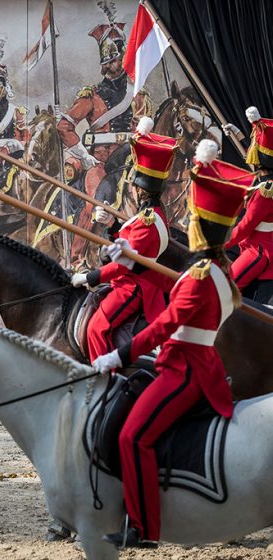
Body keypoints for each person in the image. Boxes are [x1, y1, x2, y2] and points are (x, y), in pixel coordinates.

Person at [92, 139, 255, 549]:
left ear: (199, 227)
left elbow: (164, 324)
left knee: (133, 437)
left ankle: (144, 529)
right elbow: (168, 280)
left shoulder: (202, 276)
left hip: (186, 369)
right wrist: (128, 253)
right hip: (187, 361)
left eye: (194, 218)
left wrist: (120, 353)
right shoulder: (215, 268)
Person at [71, 117, 178, 362]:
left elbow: (125, 263)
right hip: (128, 279)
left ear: (141, 189)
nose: (133, 189)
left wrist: (89, 277)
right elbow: (129, 243)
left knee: (97, 327)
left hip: (134, 286)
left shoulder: (149, 219)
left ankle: (107, 378)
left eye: (135, 186)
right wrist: (112, 225)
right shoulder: (149, 215)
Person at [57, 20, 152, 266]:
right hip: (99, 161)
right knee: (95, 201)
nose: (111, 65)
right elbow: (64, 126)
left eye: (115, 59)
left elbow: (142, 126)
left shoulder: (137, 94)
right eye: (106, 62)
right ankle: (76, 259)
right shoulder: (92, 95)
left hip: (130, 158)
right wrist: (84, 156)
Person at [225, 106, 273, 302]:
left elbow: (245, 226)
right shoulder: (267, 180)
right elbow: (258, 149)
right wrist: (239, 135)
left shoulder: (266, 192)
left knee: (223, 291)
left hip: (258, 251)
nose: (250, 154)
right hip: (254, 245)